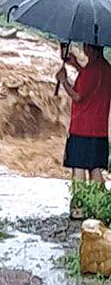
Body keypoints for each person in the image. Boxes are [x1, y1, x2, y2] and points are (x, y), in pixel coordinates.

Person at [56, 44, 111, 217]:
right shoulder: (107, 69)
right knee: (95, 168)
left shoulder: (90, 71)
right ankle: (99, 207)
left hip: (81, 128)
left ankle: (79, 209)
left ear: (90, 48)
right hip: (100, 130)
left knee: (78, 167)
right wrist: (76, 65)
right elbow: (94, 86)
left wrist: (63, 80)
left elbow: (78, 96)